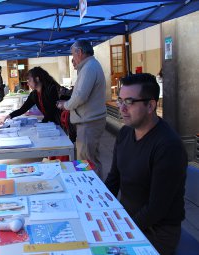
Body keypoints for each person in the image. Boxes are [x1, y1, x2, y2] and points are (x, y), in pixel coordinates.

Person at [104, 73, 187, 255]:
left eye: (130, 102)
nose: (122, 108)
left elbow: (156, 208)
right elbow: (113, 179)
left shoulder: (168, 146)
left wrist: (123, 229)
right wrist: (98, 206)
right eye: (120, 100)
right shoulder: (125, 133)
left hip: (156, 231)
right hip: (128, 218)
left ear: (150, 106)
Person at [57, 40, 106, 178]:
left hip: (89, 121)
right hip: (89, 120)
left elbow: (80, 96)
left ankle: (93, 190)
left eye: (73, 54)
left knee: (87, 161)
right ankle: (93, 187)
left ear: (79, 52)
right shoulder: (88, 66)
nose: (73, 58)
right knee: (89, 158)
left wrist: (65, 105)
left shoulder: (89, 67)